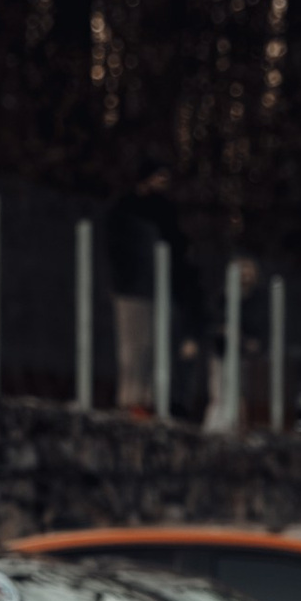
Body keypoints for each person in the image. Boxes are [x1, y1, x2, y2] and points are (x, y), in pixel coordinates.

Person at [105, 163, 196, 415]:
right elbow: (118, 250)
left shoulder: (165, 211)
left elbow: (177, 248)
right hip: (133, 288)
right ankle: (131, 400)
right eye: (158, 177)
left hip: (158, 287)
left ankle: (147, 399)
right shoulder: (125, 210)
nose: (162, 183)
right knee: (134, 347)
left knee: (152, 347)